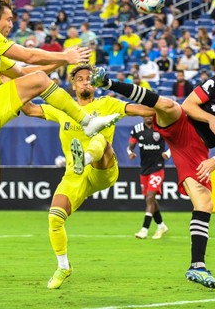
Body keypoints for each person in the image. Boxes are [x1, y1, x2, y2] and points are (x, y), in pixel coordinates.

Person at [0, 0, 120, 269]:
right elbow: (27, 55)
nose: (10, 25)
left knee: (38, 80)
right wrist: (65, 55)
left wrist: (59, 64)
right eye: (8, 20)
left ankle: (87, 122)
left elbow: (24, 72)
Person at [90, 46, 215, 289]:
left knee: (205, 203)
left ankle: (197, 267)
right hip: (182, 125)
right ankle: (107, 82)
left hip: (197, 149)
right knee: (170, 105)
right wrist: (210, 118)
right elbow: (190, 105)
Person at [22, 63, 156, 289]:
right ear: (73, 85)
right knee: (55, 218)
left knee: (100, 138)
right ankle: (63, 266)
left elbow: (147, 110)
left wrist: (163, 108)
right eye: (81, 78)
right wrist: (10, 80)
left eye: (89, 78)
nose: (85, 81)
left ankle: (83, 158)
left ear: (94, 84)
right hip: (75, 177)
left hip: (103, 168)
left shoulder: (108, 103)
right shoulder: (62, 107)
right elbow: (29, 109)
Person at [128, 116, 170, 240]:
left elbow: (174, 143)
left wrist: (167, 153)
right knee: (150, 200)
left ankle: (144, 229)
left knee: (150, 197)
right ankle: (161, 226)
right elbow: (130, 147)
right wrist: (130, 153)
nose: (148, 117)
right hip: (144, 169)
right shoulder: (137, 129)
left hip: (157, 168)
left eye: (151, 115)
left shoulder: (161, 127)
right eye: (146, 115)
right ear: (142, 116)